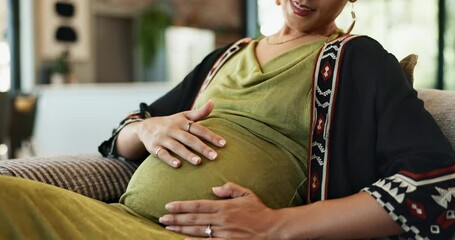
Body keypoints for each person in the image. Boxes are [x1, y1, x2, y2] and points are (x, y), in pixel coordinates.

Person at [0, 0, 453, 239]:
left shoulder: (359, 59)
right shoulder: (226, 55)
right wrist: (147, 129)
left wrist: (276, 227)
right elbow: (122, 133)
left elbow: (436, 184)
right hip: (119, 217)